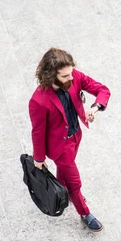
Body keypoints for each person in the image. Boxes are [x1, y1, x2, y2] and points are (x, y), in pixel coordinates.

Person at [28, 48, 110, 231]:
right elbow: (38, 131)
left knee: (65, 171)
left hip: (75, 136)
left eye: (71, 73)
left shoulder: (74, 76)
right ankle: (84, 213)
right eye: (65, 76)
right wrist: (39, 158)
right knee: (75, 182)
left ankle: (64, 192)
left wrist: (95, 107)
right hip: (60, 147)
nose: (71, 79)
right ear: (51, 76)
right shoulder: (38, 101)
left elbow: (102, 90)